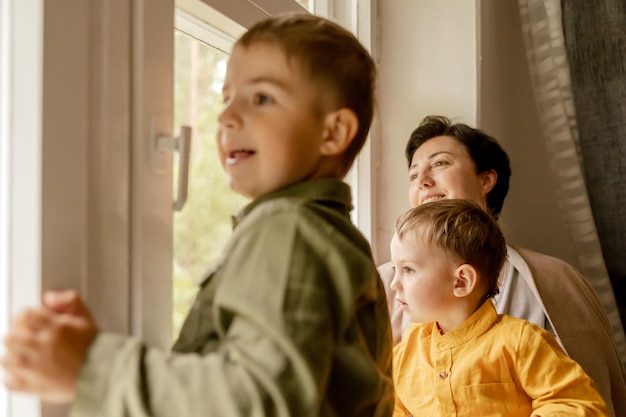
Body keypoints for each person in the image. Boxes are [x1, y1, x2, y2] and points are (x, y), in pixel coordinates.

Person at [1, 13, 394, 417]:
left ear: (332, 133)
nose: (226, 117)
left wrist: (91, 367)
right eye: (227, 98)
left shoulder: (291, 232)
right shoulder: (331, 239)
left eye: (261, 98)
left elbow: (259, 401)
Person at [378, 115, 626, 416]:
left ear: (486, 180)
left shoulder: (554, 283)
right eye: (413, 175)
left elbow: (583, 398)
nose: (422, 180)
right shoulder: (384, 292)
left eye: (440, 163)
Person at [390, 199, 609, 416]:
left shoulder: (522, 342)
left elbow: (578, 404)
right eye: (395, 269)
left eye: (408, 270)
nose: (394, 283)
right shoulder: (406, 353)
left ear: (462, 281)